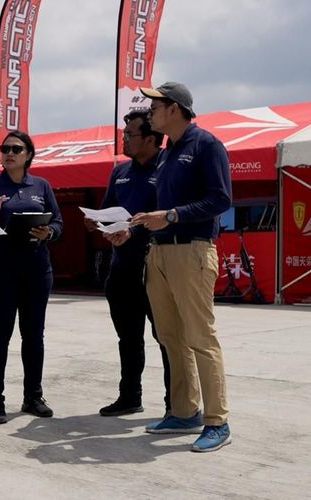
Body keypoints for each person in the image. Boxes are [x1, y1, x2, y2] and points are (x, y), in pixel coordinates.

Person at [131, 82, 232, 452]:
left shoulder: (206, 145)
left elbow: (221, 199)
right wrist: (139, 222)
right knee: (170, 336)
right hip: (159, 252)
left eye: (154, 106)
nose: (149, 112)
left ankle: (217, 420)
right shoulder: (167, 152)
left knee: (200, 338)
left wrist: (172, 215)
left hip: (192, 251)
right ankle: (185, 411)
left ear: (173, 109)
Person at [84, 111, 172, 417]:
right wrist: (96, 220)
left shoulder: (169, 166)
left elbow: (170, 217)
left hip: (158, 267)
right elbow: (110, 211)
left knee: (166, 338)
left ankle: (175, 404)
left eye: (129, 134)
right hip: (122, 268)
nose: (123, 139)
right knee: (128, 337)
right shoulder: (119, 172)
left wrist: (133, 230)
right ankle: (130, 396)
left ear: (149, 138)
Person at [0, 131, 63, 424]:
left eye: (16, 148)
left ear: (28, 154)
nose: (9, 153)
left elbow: (58, 222)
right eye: (5, 149)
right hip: (0, 271)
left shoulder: (41, 186)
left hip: (37, 270)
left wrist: (48, 232)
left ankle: (33, 396)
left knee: (33, 335)